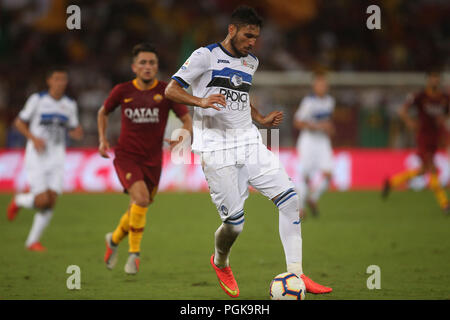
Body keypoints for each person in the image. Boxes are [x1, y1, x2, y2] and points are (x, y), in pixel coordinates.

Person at [165, 5, 332, 297]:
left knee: (291, 200)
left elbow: (241, 96)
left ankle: (297, 274)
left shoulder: (250, 62)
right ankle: (220, 261)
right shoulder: (205, 56)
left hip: (249, 142)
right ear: (232, 30)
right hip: (215, 149)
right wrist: (201, 102)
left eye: (256, 37)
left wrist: (260, 118)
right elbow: (171, 90)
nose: (252, 42)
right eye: (248, 35)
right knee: (234, 225)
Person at [98, 43, 192, 275]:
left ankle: (114, 238)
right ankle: (134, 255)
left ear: (157, 67)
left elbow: (186, 119)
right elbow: (103, 112)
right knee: (140, 199)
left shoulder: (166, 91)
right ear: (134, 67)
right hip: (127, 157)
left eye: (152, 63)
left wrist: (184, 135)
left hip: (153, 160)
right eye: (143, 63)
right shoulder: (122, 91)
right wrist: (102, 139)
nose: (147, 67)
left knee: (140, 205)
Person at [6, 68, 83, 251]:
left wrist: (76, 132)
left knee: (52, 201)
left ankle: (32, 241)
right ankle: (19, 200)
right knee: (42, 201)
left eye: (63, 79)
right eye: (57, 79)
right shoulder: (37, 100)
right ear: (49, 81)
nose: (60, 83)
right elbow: (19, 122)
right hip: (37, 156)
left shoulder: (70, 104)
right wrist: (33, 139)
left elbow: (73, 127)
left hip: (57, 156)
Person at [382, 71, 449, 213]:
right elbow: (402, 111)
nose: (435, 81)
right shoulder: (420, 97)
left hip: (436, 137)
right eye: (432, 78)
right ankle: (444, 203)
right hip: (423, 137)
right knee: (432, 168)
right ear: (428, 80)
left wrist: (443, 120)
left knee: (424, 170)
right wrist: (410, 123)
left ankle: (392, 182)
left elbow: (446, 113)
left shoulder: (444, 97)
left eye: (437, 79)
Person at [293, 71, 335, 217]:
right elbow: (297, 122)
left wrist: (329, 128)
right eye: (319, 84)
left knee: (329, 174)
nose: (322, 87)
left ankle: (313, 198)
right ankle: (300, 208)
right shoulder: (308, 102)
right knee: (305, 175)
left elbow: (328, 122)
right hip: (308, 141)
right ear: (314, 86)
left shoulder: (330, 101)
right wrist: (317, 126)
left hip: (322, 141)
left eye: (324, 84)